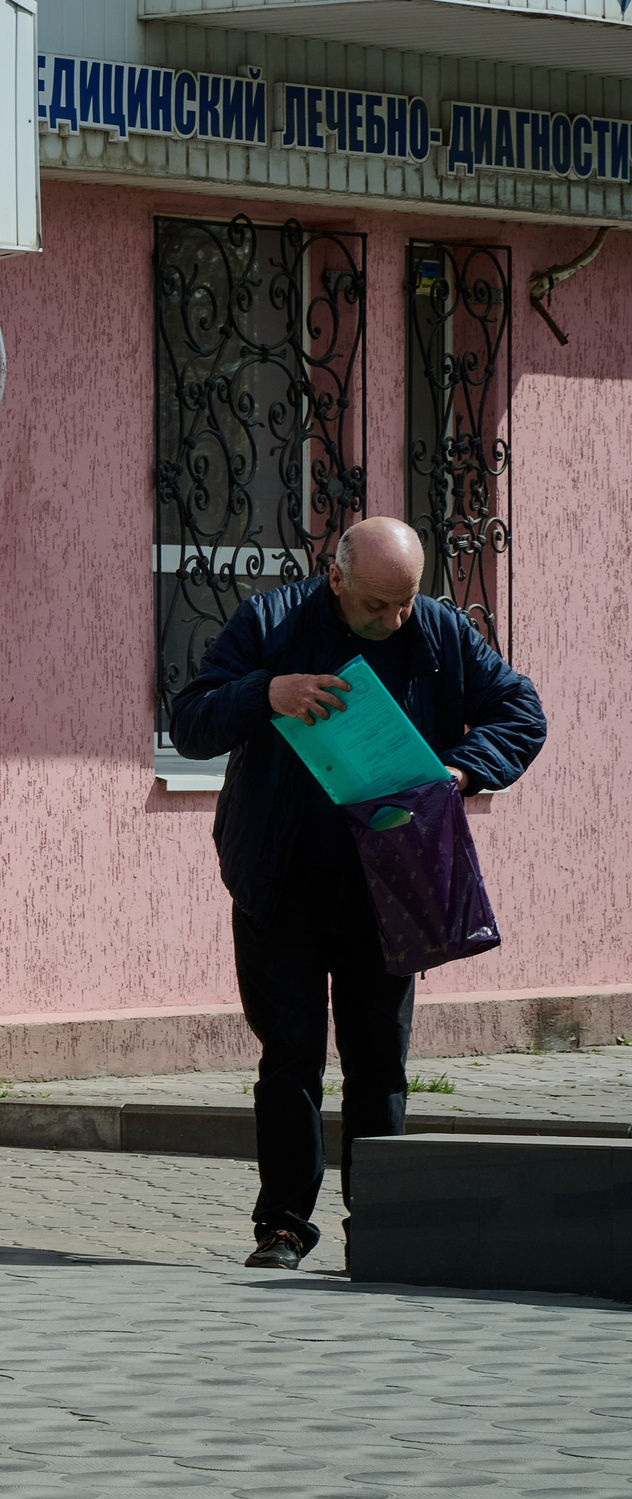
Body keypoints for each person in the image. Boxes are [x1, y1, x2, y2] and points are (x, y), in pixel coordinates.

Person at [169, 516, 544, 1270]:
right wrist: (268, 692)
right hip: (283, 879)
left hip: (391, 885)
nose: (394, 619)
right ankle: (282, 1226)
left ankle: (381, 1224)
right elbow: (192, 722)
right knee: (291, 1057)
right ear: (335, 576)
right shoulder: (271, 622)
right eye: (379, 604)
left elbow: (520, 712)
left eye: (405, 601)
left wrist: (463, 769)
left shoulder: (437, 630)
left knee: (379, 1063)